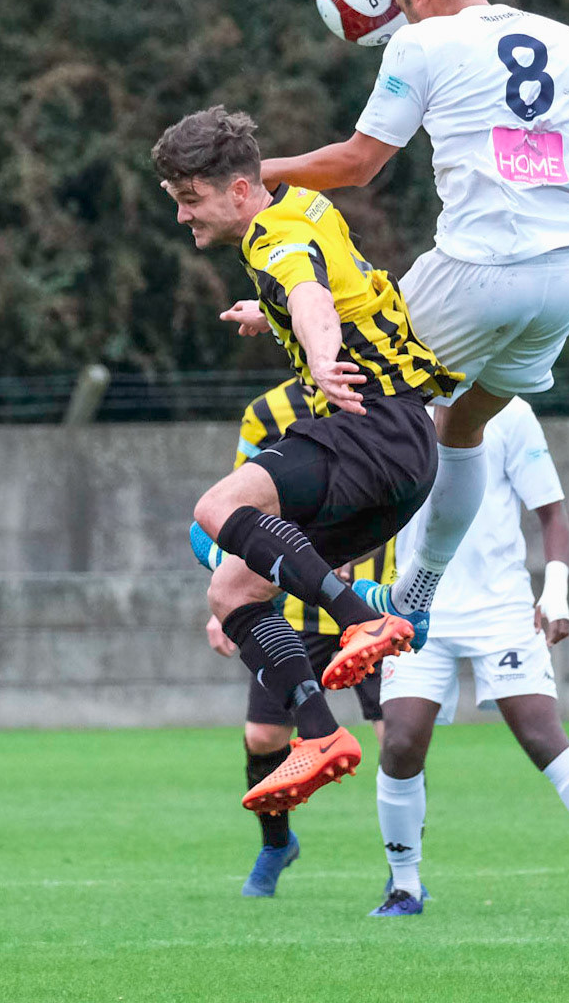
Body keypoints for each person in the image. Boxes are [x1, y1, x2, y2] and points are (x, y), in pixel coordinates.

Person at [261, 0, 569, 637]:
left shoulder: (421, 41)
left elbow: (358, 164)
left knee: (350, 394)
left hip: (477, 271)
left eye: (401, 3)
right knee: (460, 429)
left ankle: (296, 566)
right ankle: (416, 597)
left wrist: (257, 174)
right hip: (566, 279)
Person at [155, 104, 459, 815]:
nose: (182, 218)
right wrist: (272, 314)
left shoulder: (273, 240)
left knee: (217, 510)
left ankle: (362, 617)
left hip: (368, 427)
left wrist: (320, 361)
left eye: (189, 201)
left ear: (237, 191)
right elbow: (332, 284)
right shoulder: (305, 206)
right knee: (233, 591)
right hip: (402, 456)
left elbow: (310, 292)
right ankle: (319, 736)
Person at [370, 399, 569, 920]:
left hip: (499, 608)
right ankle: (405, 889)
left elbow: (552, 513)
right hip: (414, 606)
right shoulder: (399, 404)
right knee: (401, 741)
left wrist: (557, 592)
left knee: (543, 737)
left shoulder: (504, 406)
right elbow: (371, 505)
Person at [201, 378, 396, 897]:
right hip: (291, 609)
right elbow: (234, 511)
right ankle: (275, 844)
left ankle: (405, 873)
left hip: (375, 602)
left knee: (396, 740)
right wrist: (222, 597)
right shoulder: (265, 410)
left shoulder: (381, 400)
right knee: (264, 739)